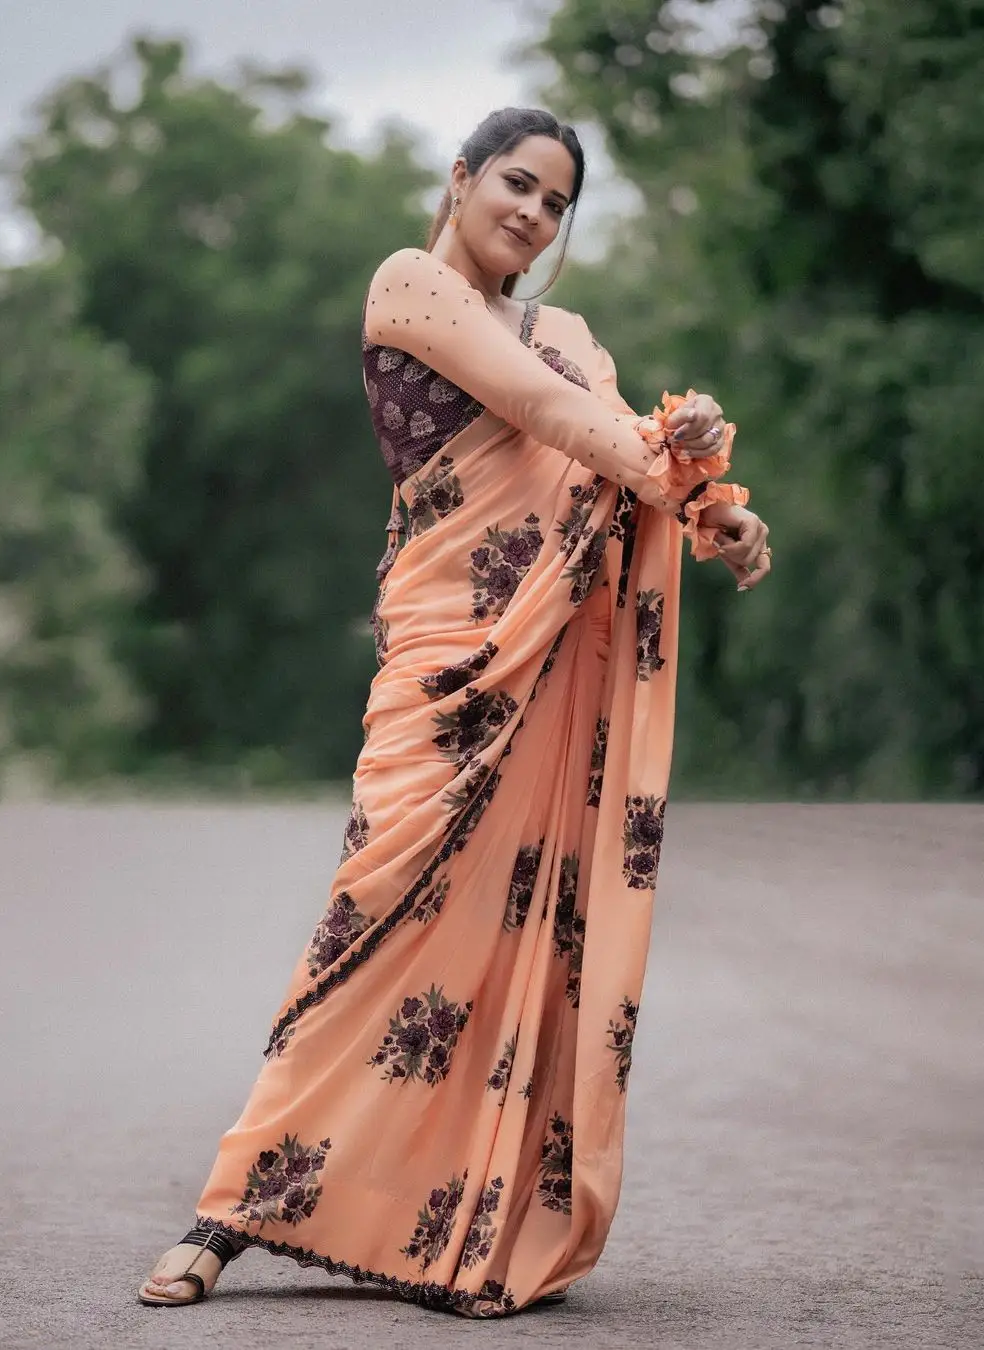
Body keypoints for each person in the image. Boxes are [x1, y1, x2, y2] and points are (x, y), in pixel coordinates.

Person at [138, 106, 770, 1319]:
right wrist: (665, 455)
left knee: (511, 936)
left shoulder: (572, 336)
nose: (531, 214)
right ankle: (228, 1214)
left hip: (548, 672)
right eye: (515, 184)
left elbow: (609, 456)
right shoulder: (410, 287)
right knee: (369, 915)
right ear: (463, 177)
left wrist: (714, 511)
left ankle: (465, 1225)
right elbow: (549, 420)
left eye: (554, 202)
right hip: (445, 661)